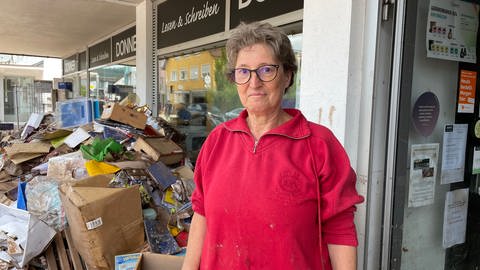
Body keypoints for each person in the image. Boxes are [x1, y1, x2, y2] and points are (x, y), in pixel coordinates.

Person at [182, 21, 364, 270]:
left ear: (287, 76)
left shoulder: (319, 145)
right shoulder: (217, 141)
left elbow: (340, 228)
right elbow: (201, 213)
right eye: (243, 71)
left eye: (266, 70)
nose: (253, 83)